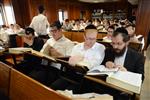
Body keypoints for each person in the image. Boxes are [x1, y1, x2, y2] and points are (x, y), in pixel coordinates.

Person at [50, 24, 105, 91]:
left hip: (86, 78)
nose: (91, 41)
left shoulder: (100, 48)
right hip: (72, 74)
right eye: (89, 38)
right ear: (84, 37)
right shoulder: (77, 47)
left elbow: (93, 64)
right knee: (54, 86)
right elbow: (71, 62)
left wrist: (80, 59)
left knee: (68, 92)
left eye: (94, 39)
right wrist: (78, 60)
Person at [102, 27, 145, 100]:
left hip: (123, 93)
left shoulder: (137, 57)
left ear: (127, 42)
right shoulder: (108, 51)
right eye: (113, 43)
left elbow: (141, 78)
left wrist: (127, 73)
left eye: (119, 44)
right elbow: (100, 66)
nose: (115, 47)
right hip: (106, 88)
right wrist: (106, 63)